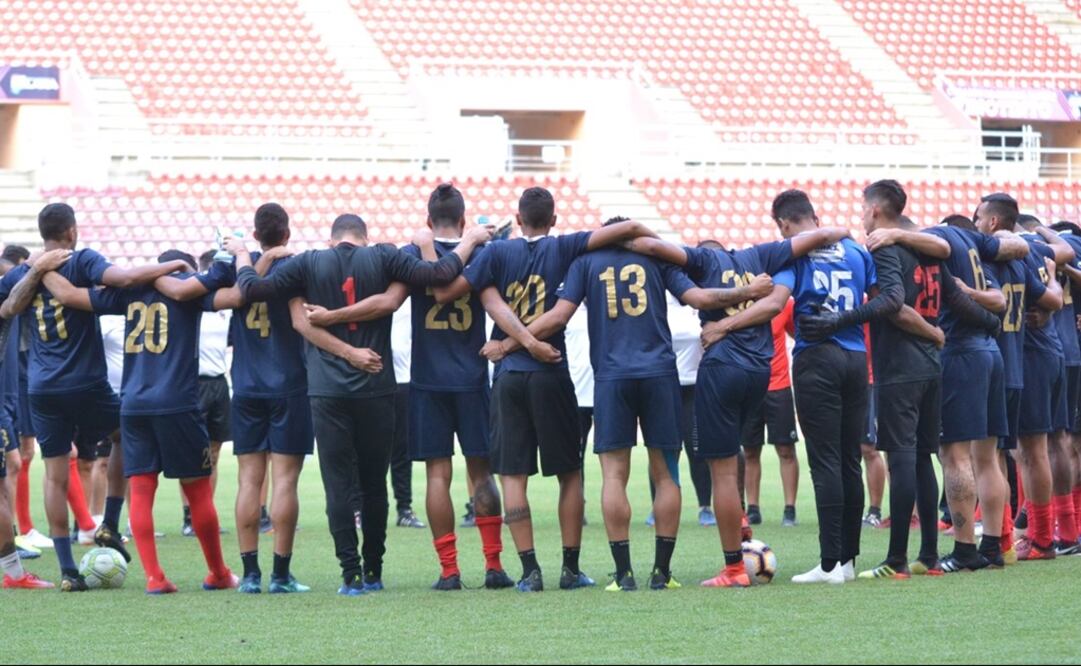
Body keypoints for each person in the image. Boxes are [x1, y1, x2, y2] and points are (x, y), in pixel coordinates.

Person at [232, 213, 491, 596]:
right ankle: (374, 572)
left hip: (326, 391)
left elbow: (250, 289)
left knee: (338, 486)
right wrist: (469, 242)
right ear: (364, 237)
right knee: (374, 485)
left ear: (333, 237)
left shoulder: (305, 263)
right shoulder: (386, 257)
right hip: (376, 386)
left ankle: (349, 576)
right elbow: (439, 274)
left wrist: (245, 254)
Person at [306, 184, 519, 591]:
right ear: (462, 219)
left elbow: (386, 303)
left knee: (437, 475)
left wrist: (331, 316)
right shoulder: (481, 251)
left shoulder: (409, 254)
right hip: (473, 377)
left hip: (426, 379)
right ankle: (493, 565)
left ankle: (449, 571)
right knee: (480, 472)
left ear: (427, 221)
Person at [625, 222, 854, 587]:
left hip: (722, 368)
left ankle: (733, 569)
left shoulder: (700, 261)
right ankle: (742, 522)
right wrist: (842, 231)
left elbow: (654, 248)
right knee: (736, 456)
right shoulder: (760, 254)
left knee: (723, 472)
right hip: (760, 373)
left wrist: (624, 239)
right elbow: (821, 236)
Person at [455, 190, 658, 593]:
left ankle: (530, 571)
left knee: (513, 476)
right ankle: (570, 568)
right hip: (551, 368)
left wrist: (511, 343)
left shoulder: (495, 254)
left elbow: (466, 290)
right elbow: (630, 227)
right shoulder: (565, 246)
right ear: (554, 218)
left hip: (509, 375)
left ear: (518, 217)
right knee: (569, 473)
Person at [0, 203, 186, 589]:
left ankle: (68, 572)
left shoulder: (23, 272)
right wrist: (170, 267)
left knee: (54, 472)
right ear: (71, 231)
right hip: (86, 382)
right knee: (125, 436)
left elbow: (9, 306)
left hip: (41, 387)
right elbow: (127, 277)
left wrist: (34, 269)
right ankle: (111, 523)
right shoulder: (82, 260)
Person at [855, 181, 1002, 579]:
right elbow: (955, 296)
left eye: (862, 209)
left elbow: (895, 307)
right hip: (932, 367)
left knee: (902, 458)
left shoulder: (888, 249)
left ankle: (896, 560)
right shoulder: (929, 250)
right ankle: (930, 556)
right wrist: (991, 324)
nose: (860, 216)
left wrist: (842, 320)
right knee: (923, 457)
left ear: (875, 212)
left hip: (901, 367)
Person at [770, 189, 903, 585]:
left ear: (784, 224)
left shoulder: (794, 252)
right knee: (849, 460)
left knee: (825, 460)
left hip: (816, 359)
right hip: (854, 359)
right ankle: (846, 559)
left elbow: (777, 301)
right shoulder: (856, 251)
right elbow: (880, 299)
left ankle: (829, 564)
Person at [185, 250, 233, 537]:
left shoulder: (224, 305)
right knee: (192, 454)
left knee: (214, 452)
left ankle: (207, 514)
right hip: (194, 382)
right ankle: (189, 516)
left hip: (219, 382)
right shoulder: (194, 302)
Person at [742, 297, 799, 527]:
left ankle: (790, 509)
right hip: (749, 385)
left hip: (779, 385)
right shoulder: (740, 301)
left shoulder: (784, 303)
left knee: (786, 449)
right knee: (750, 451)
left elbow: (798, 334)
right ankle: (753, 508)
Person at [669, 293, 715, 527]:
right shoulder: (660, 299)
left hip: (695, 387)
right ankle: (660, 507)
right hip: (666, 386)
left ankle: (705, 506)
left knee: (697, 450)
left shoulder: (698, 302)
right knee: (666, 450)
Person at [389, 295, 424, 529]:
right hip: (373, 381)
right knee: (366, 452)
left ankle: (404, 508)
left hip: (404, 381)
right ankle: (358, 509)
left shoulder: (412, 300)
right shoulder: (373, 293)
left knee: (402, 451)